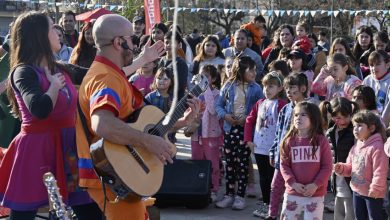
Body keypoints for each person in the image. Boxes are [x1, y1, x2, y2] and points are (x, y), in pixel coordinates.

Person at [75, 14, 200, 220]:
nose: (135, 44)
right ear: (118, 42)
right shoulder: (106, 78)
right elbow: (102, 123)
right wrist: (147, 141)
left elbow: (136, 124)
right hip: (111, 179)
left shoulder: (111, 74)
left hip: (118, 177)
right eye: (132, 39)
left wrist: (183, 121)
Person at [0, 11, 102, 220]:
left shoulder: (60, 67)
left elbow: (98, 74)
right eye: (51, 27)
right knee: (23, 215)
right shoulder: (23, 72)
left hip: (67, 147)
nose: (58, 31)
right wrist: (54, 86)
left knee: (90, 211)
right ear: (39, 36)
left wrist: (141, 60)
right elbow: (40, 109)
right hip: (35, 150)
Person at [215, 56, 264, 210]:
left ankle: (240, 197)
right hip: (230, 130)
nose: (254, 73)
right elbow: (219, 105)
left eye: (255, 70)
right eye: (251, 70)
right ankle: (229, 194)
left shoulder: (256, 88)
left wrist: (249, 119)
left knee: (242, 164)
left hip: (245, 131)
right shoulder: (228, 85)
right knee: (229, 163)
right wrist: (225, 116)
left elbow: (261, 109)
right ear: (241, 70)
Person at [279, 101, 333, 220]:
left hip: (315, 194)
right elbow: (284, 165)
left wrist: (315, 184)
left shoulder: (321, 141)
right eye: (296, 115)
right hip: (293, 193)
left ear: (313, 119)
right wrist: (292, 183)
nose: (298, 117)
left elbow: (327, 167)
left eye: (303, 115)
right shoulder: (288, 141)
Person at [244, 71, 287, 217]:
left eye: (271, 86)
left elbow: (286, 126)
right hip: (259, 147)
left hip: (274, 149)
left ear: (280, 88)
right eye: (265, 86)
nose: (267, 89)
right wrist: (248, 140)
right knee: (263, 177)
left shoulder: (282, 105)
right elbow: (250, 120)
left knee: (273, 178)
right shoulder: (260, 103)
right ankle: (266, 203)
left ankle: (274, 205)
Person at [334, 110, 388, 220]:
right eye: (354, 126)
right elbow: (351, 166)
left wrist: (376, 188)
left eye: (359, 126)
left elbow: (380, 171)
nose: (355, 129)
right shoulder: (356, 146)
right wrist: (342, 168)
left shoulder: (377, 147)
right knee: (359, 217)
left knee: (374, 217)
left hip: (373, 194)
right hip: (357, 191)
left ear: (371, 128)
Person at [189, 64, 223, 203]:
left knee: (212, 163)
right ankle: (197, 187)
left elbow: (212, 110)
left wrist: (206, 88)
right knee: (196, 161)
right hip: (196, 134)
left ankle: (214, 189)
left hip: (211, 134)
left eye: (207, 76)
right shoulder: (195, 92)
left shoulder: (217, 93)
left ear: (213, 79)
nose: (203, 79)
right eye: (201, 75)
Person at [322, 97, 358, 220]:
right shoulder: (330, 132)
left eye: (345, 116)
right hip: (336, 178)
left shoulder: (355, 131)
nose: (342, 120)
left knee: (350, 213)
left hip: (352, 178)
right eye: (337, 117)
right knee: (339, 212)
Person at [362, 50, 390, 126]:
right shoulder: (367, 80)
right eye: (371, 65)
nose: (373, 68)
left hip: (384, 124)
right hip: (368, 121)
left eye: (377, 64)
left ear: (387, 65)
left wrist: (383, 124)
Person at [158, 31, 188, 100]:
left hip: (174, 101)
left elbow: (179, 86)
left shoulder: (181, 64)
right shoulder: (161, 61)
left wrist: (166, 94)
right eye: (167, 42)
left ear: (179, 45)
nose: (169, 45)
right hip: (159, 99)